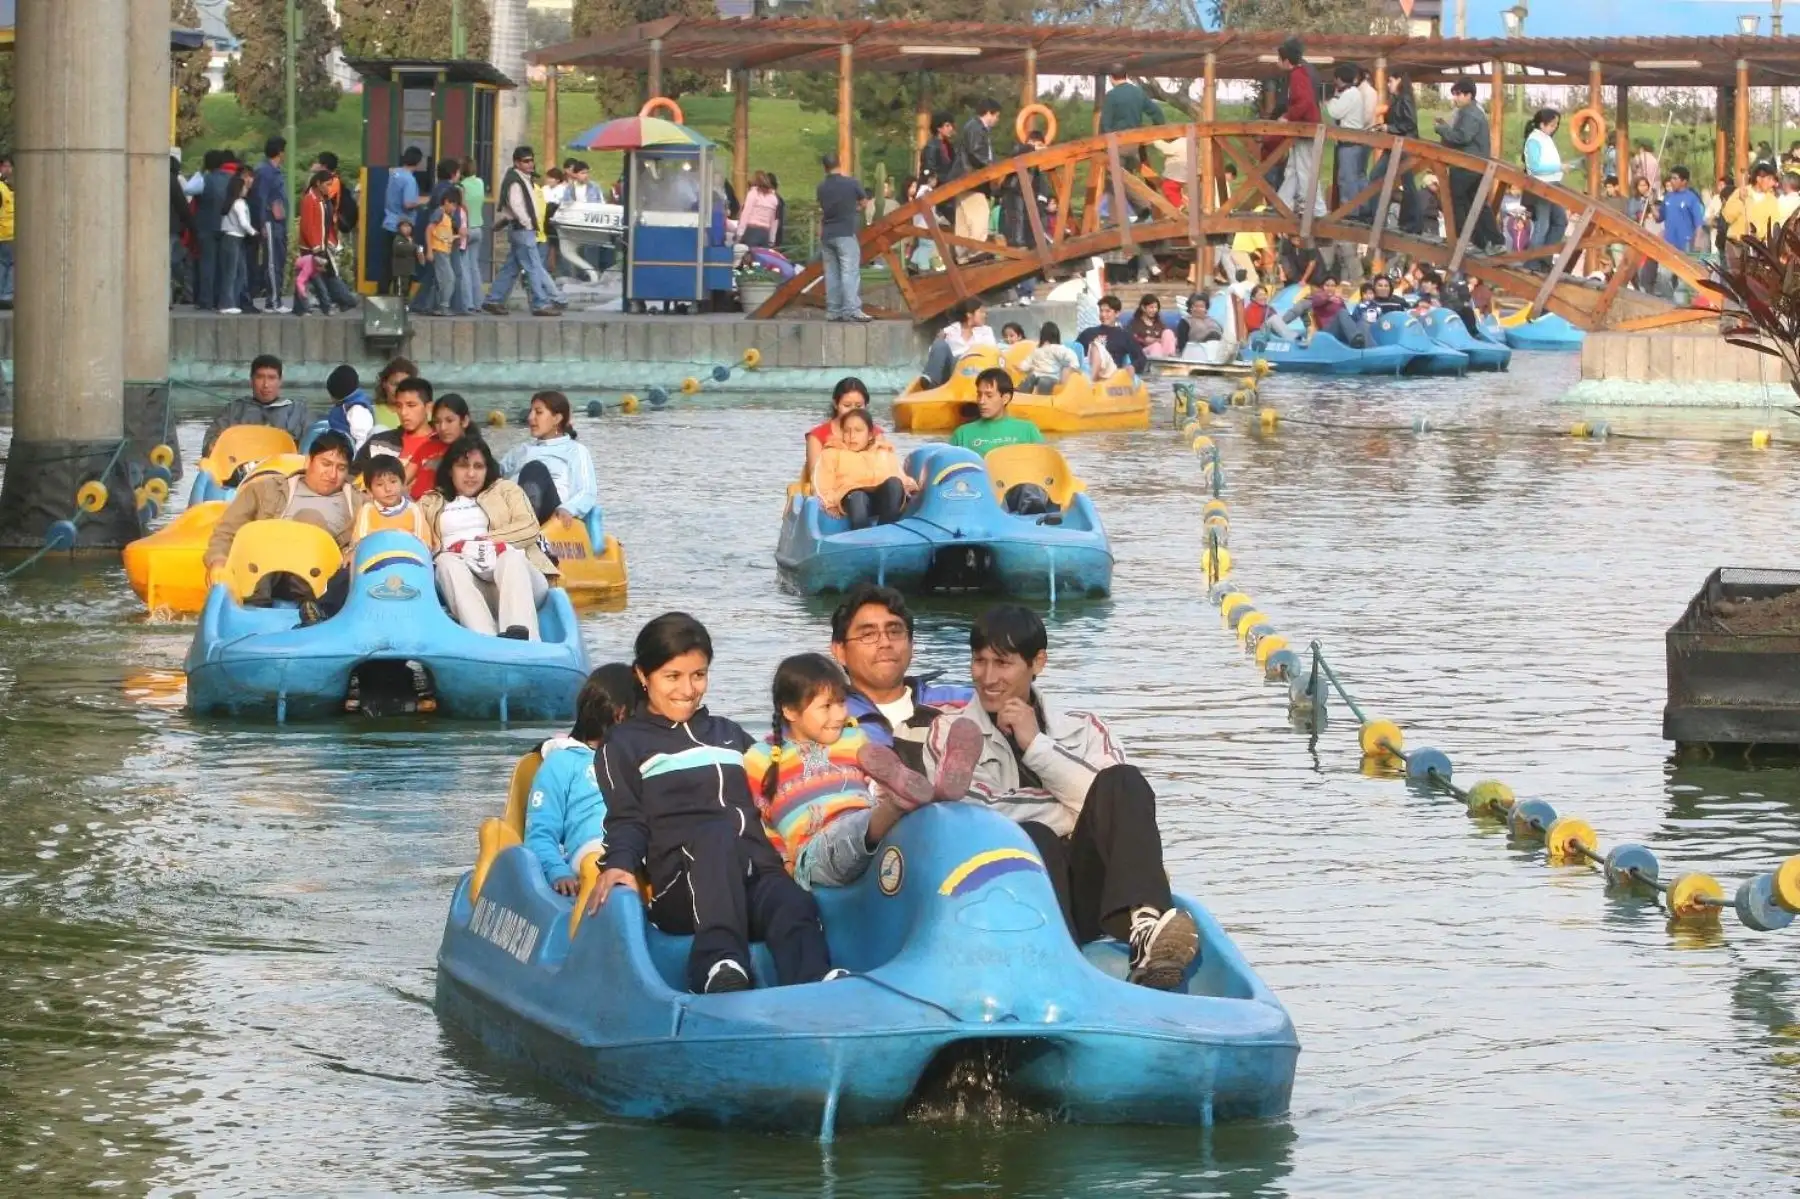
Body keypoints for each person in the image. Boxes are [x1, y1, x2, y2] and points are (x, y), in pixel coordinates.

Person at [922, 605, 1199, 989]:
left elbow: (1120, 804)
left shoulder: (1087, 729)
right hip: (1012, 895)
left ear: (1038, 662)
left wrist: (1037, 745)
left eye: (1002, 663)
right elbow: (979, 814)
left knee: (1125, 782)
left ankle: (1145, 929)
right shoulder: (950, 732)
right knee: (1034, 835)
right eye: (979, 661)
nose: (987, 677)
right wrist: (1076, 810)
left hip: (1094, 893)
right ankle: (1065, 967)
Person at [591, 613, 836, 994]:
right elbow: (626, 817)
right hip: (682, 891)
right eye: (673, 676)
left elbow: (774, 791)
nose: (688, 690)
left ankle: (814, 981)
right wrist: (620, 864)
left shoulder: (728, 734)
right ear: (642, 675)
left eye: (698, 675)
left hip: (752, 877)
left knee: (787, 896)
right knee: (716, 835)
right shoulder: (624, 743)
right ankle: (717, 966)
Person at [744, 653, 979, 892]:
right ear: (790, 711)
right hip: (816, 850)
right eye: (826, 706)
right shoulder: (759, 758)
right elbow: (759, 823)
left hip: (873, 826)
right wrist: (782, 860)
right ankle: (897, 805)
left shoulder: (853, 738)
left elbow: (873, 784)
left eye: (841, 702)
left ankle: (937, 796)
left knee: (906, 821)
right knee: (856, 828)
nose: (839, 714)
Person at [202, 431, 362, 621]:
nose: (332, 474)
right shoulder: (265, 490)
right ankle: (252, 610)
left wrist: (357, 550)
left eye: (341, 468)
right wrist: (218, 562)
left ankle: (313, 610)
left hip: (321, 578)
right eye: (325, 464)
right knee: (262, 537)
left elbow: (381, 533)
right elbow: (226, 532)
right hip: (265, 570)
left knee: (310, 520)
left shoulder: (361, 504)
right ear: (308, 461)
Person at [417, 435, 557, 640]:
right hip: (468, 585)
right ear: (450, 469)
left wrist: (481, 543)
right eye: (463, 466)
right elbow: (417, 541)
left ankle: (523, 638)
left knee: (509, 558)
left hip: (518, 581)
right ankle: (486, 641)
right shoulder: (430, 502)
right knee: (446, 562)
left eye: (478, 466)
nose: (471, 474)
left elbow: (529, 527)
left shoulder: (505, 490)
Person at [826, 584, 971, 775]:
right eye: (868, 634)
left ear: (912, 645)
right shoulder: (822, 720)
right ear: (840, 651)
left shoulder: (962, 702)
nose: (885, 643)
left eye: (895, 632)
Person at [527, 662, 636, 894]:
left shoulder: (642, 760)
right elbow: (541, 832)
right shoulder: (562, 763)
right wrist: (558, 871)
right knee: (605, 857)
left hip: (638, 847)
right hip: (594, 854)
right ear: (621, 714)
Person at [484, 145, 562, 317]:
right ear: (516, 162)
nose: (530, 164)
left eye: (531, 160)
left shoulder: (522, 178)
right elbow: (516, 205)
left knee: (511, 268)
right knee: (533, 266)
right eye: (526, 161)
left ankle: (494, 299)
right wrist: (527, 223)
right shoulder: (515, 180)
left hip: (521, 229)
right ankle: (540, 303)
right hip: (522, 229)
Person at [501, 390, 599, 523]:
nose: (530, 417)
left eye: (538, 412)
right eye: (531, 412)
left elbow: (586, 491)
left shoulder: (575, 451)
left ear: (557, 419)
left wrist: (568, 508)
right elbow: (492, 474)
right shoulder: (521, 450)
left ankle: (524, 524)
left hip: (550, 515)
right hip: (509, 510)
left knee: (535, 469)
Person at [813, 408, 915, 529]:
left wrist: (911, 487)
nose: (852, 436)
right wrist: (829, 504)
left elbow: (899, 474)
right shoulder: (832, 453)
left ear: (870, 434)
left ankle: (885, 531)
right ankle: (864, 538)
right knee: (857, 496)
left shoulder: (883, 451)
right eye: (847, 431)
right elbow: (822, 482)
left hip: (882, 500)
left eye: (858, 431)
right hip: (853, 501)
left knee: (894, 483)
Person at [1434, 80, 1503, 252]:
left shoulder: (1469, 113)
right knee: (1476, 203)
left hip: (1467, 166)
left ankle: (1463, 239)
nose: (1455, 98)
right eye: (1454, 94)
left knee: (1456, 201)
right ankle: (1487, 241)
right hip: (1475, 165)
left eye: (1458, 94)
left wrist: (1442, 129)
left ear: (1468, 95)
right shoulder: (1472, 111)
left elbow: (1462, 137)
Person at [202, 354, 310, 455]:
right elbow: (209, 445)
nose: (266, 385)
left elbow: (312, 445)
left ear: (280, 381)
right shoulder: (233, 411)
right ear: (251, 380)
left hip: (284, 469)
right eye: (260, 377)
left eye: (272, 378)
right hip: (242, 468)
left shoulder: (298, 411)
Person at [359, 376, 446, 499]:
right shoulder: (378, 443)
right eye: (399, 406)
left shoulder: (443, 445)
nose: (403, 412)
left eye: (411, 405)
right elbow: (353, 482)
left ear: (429, 407)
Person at [815, 152, 870, 324]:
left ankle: (833, 310)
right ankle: (852, 309)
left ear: (824, 168)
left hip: (828, 234)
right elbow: (864, 202)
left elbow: (822, 208)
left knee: (831, 273)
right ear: (840, 163)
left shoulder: (821, 187)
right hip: (846, 232)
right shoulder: (851, 183)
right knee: (849, 271)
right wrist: (855, 209)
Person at [1275, 38, 1325, 219]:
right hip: (1304, 127)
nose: (1277, 62)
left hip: (1307, 128)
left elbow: (1304, 102)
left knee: (1304, 169)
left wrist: (1288, 117)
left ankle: (1314, 209)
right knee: (1293, 168)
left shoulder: (1298, 75)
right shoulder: (1302, 72)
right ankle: (1284, 203)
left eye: (1278, 58)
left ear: (1286, 60)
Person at [949, 368, 1045, 463]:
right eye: (979, 394)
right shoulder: (962, 434)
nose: (981, 401)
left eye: (989, 396)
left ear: (1005, 398)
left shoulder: (1028, 430)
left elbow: (1043, 467)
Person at [804, 377, 883, 482]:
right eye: (847, 405)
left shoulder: (874, 433)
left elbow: (884, 465)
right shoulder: (817, 436)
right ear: (835, 404)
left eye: (859, 406)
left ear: (866, 406)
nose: (853, 410)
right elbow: (815, 475)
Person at [350, 455, 434, 546]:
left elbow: (425, 544)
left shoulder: (414, 510)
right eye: (380, 484)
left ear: (402, 484)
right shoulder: (367, 510)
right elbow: (358, 544)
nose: (388, 489)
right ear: (370, 491)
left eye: (393, 481)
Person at [953, 99, 1001, 256]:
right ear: (989, 113)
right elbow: (975, 153)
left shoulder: (973, 127)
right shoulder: (976, 128)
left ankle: (962, 254)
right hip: (972, 179)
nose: (997, 120)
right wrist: (992, 168)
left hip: (964, 178)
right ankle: (975, 251)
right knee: (980, 214)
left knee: (964, 220)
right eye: (996, 116)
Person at [1377, 73, 1422, 234]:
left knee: (1408, 184)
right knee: (1376, 176)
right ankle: (1377, 217)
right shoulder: (1396, 100)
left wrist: (1389, 128)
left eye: (1390, 80)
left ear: (1399, 81)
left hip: (1405, 146)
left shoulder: (1405, 99)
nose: (1388, 84)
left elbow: (1410, 124)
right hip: (1394, 146)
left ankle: (1413, 224)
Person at [379, 146, 428, 295]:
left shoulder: (395, 174)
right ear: (418, 162)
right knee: (403, 267)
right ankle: (400, 299)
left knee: (387, 264)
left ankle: (382, 295)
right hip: (402, 227)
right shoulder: (409, 180)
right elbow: (408, 204)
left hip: (388, 222)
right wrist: (425, 200)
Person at [1326, 63, 1373, 218]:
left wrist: (1330, 99)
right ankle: (1363, 208)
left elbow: (1335, 112)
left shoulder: (1349, 94)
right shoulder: (1354, 93)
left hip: (1349, 143)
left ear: (1339, 79)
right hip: (1355, 141)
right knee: (1357, 176)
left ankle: (1350, 211)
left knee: (1347, 178)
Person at [250, 136, 289, 314]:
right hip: (271, 221)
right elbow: (261, 198)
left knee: (278, 260)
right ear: (280, 152)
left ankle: (274, 299)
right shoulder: (265, 172)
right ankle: (274, 301)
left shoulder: (275, 171)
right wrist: (263, 223)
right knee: (272, 262)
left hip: (278, 221)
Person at [920, 298, 996, 387]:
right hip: (952, 372)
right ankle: (931, 381)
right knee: (940, 344)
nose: (985, 315)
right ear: (969, 314)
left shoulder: (986, 331)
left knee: (961, 358)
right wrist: (938, 340)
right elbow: (934, 355)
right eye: (981, 312)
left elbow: (992, 352)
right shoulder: (949, 331)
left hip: (976, 370)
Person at [1523, 108, 1566, 258]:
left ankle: (1544, 257)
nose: (1555, 128)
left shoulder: (1546, 138)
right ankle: (1532, 260)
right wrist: (1559, 167)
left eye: (1556, 125)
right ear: (1542, 124)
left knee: (1560, 221)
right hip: (1542, 186)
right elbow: (1535, 167)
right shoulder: (1534, 139)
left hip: (1553, 184)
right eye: (1552, 124)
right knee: (1543, 225)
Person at [1074, 295, 1148, 377]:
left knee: (1096, 347)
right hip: (1087, 368)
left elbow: (1141, 358)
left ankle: (1091, 381)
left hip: (1110, 373)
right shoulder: (1088, 332)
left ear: (1117, 313)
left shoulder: (1125, 336)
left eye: (1107, 311)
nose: (1103, 314)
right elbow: (1075, 352)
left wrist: (1132, 367)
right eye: (1101, 311)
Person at [218, 171, 255, 315]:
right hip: (234, 238)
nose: (247, 189)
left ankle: (231, 301)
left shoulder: (230, 202)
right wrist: (253, 232)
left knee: (237, 272)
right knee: (232, 272)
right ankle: (227, 304)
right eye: (244, 187)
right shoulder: (239, 203)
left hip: (231, 238)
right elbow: (243, 222)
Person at [424, 186, 462, 316]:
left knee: (440, 280)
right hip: (438, 251)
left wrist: (459, 236)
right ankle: (443, 306)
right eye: (453, 205)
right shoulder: (439, 213)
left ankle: (432, 306)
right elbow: (429, 230)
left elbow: (444, 236)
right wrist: (429, 250)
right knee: (448, 279)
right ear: (446, 201)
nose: (454, 208)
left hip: (444, 251)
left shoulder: (446, 217)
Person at [1724, 161, 1781, 244]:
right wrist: (1740, 201)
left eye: (1773, 180)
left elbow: (1774, 224)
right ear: (1758, 179)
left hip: (1758, 246)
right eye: (1769, 179)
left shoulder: (1772, 200)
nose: (1772, 183)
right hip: (1736, 243)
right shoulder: (1740, 192)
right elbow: (1728, 217)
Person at [324, 364, 375, 452]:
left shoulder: (357, 409)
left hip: (350, 453)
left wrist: (355, 460)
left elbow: (363, 439)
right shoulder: (345, 406)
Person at [458, 156, 488, 305]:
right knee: (474, 267)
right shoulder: (480, 182)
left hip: (466, 229)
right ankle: (478, 302)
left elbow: (462, 206)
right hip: (478, 228)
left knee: (464, 268)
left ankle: (467, 303)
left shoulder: (461, 187)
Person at [1021, 321, 1081, 394]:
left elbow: (1069, 355)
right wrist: (1022, 367)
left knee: (1044, 382)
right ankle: (1022, 394)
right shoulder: (1038, 350)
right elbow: (1029, 360)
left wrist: (1074, 366)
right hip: (1038, 374)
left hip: (1051, 376)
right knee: (1029, 378)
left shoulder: (1056, 349)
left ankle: (1042, 399)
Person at [738, 171, 781, 248]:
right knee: (762, 258)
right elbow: (774, 220)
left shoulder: (753, 194)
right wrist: (772, 239)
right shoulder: (773, 198)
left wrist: (740, 232)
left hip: (752, 230)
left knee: (749, 257)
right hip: (765, 233)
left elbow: (746, 213)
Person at [389, 218, 418, 300]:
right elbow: (403, 248)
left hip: (409, 271)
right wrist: (413, 245)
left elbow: (418, 250)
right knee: (399, 290)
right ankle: (397, 308)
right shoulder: (398, 239)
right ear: (399, 228)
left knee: (406, 290)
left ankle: (405, 305)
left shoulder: (410, 239)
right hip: (400, 272)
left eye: (409, 226)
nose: (407, 228)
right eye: (405, 226)